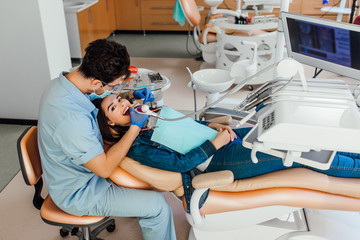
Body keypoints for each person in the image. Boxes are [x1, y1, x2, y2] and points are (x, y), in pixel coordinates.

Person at [38, 39, 177, 240]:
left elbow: (98, 98)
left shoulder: (66, 82)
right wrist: (135, 127)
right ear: (96, 82)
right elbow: (103, 168)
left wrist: (127, 93)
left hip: (71, 171)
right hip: (80, 192)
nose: (116, 91)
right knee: (157, 206)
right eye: (113, 85)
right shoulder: (70, 118)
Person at [94, 93, 360, 184]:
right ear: (109, 122)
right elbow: (180, 164)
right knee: (300, 154)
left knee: (286, 132)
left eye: (119, 99)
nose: (122, 104)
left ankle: (354, 151)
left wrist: (209, 126)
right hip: (218, 159)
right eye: (113, 107)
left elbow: (184, 128)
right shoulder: (136, 146)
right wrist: (216, 143)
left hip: (220, 139)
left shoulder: (147, 121)